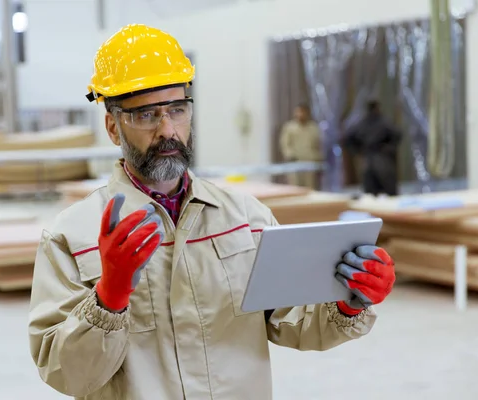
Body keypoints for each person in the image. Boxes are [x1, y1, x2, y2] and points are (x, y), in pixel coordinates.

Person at [28, 24, 396, 400]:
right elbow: (67, 375)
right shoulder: (72, 237)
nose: (167, 129)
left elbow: (293, 321)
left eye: (177, 110)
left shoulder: (245, 219)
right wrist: (109, 298)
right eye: (145, 116)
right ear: (112, 126)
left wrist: (349, 300)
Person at [343, 100, 402, 196]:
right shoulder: (382, 121)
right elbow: (397, 134)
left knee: (371, 190)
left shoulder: (362, 123)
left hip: (368, 157)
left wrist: (357, 151)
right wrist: (389, 147)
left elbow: (348, 138)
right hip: (379, 156)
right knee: (387, 187)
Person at [279, 104, 324, 189]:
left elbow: (319, 145)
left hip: (310, 162)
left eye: (303, 112)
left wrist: (318, 157)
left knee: (310, 187)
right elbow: (285, 144)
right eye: (298, 112)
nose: (300, 114)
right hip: (295, 161)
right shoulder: (290, 127)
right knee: (295, 187)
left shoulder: (314, 128)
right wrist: (290, 155)